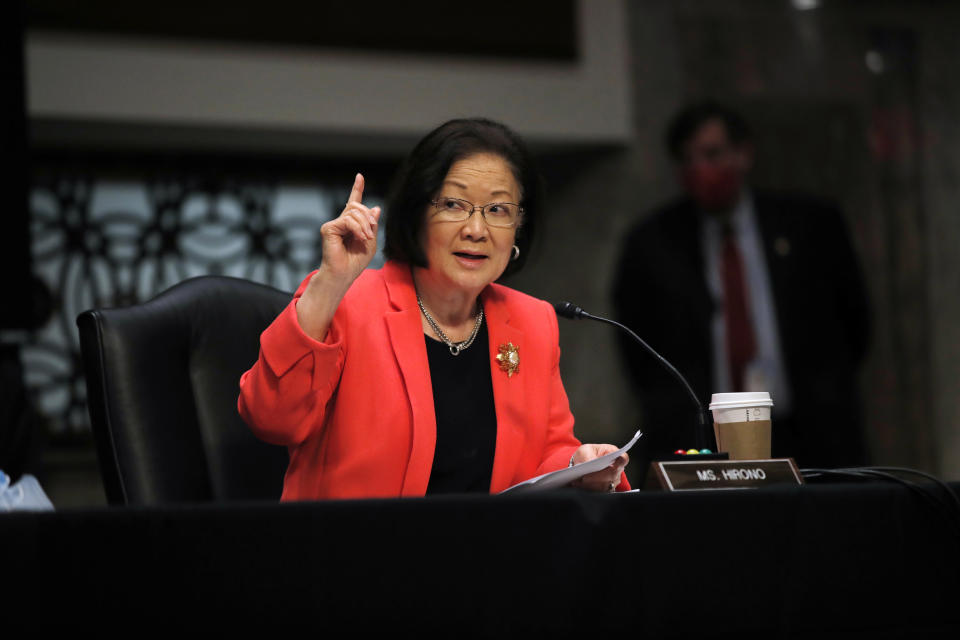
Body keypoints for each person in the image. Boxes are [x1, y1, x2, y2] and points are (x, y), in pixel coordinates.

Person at [239, 118, 629, 500]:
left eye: (497, 210)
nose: (477, 229)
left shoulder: (533, 321)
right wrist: (329, 282)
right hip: (352, 554)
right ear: (416, 213)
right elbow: (272, 418)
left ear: (517, 229)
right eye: (454, 204)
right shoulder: (346, 301)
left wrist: (579, 464)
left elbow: (545, 454)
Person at [612, 102, 870, 470]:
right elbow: (638, 349)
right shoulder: (653, 243)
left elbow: (855, 324)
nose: (702, 170)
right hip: (702, 441)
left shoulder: (812, 225)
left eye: (713, 154)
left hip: (811, 432)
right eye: (689, 160)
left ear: (743, 153)